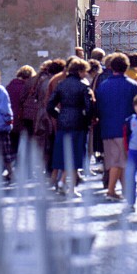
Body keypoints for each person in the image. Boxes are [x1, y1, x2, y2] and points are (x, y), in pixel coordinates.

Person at [94, 52, 137, 201]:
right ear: (126, 67)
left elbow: (97, 105)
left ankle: (123, 190)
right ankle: (111, 190)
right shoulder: (132, 85)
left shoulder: (103, 86)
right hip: (126, 128)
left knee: (115, 160)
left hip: (107, 128)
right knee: (120, 161)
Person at [47, 57, 93, 196]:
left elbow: (49, 106)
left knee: (63, 153)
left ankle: (61, 181)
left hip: (63, 121)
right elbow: (89, 107)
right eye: (84, 71)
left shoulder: (61, 84)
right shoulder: (83, 86)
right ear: (79, 71)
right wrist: (87, 118)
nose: (86, 74)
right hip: (78, 122)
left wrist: (59, 115)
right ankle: (70, 187)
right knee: (76, 154)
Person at [6, 64, 35, 153]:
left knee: (12, 145)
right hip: (22, 120)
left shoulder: (9, 86)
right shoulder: (26, 88)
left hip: (10, 119)